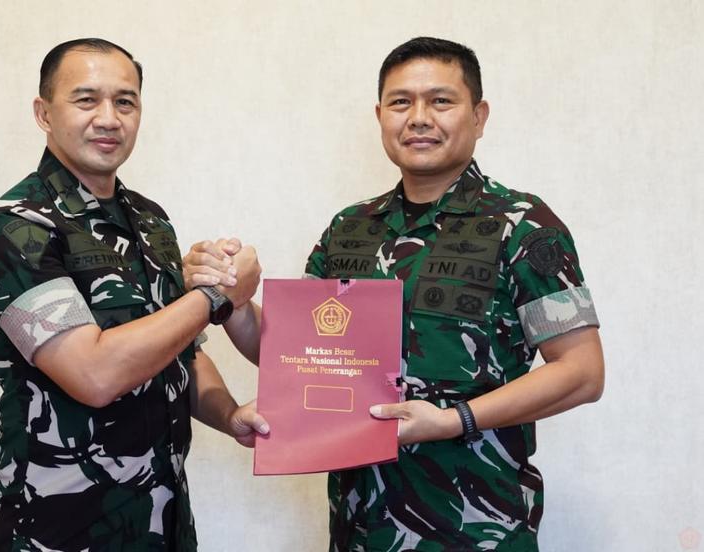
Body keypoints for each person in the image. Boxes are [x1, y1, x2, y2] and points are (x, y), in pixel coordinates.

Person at [184, 37, 604, 550]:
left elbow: (582, 372)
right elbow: (293, 354)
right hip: (360, 527)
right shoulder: (350, 228)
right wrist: (229, 298)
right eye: (401, 102)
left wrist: (452, 421)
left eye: (441, 101)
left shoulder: (523, 225)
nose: (419, 118)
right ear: (380, 115)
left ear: (479, 116)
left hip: (476, 530)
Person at [0, 38, 267, 551]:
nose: (108, 118)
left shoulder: (151, 222)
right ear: (43, 113)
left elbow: (181, 354)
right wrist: (216, 297)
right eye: (86, 100)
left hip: (162, 521)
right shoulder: (15, 228)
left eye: (125, 102)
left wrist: (229, 415)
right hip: (58, 528)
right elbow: (93, 374)